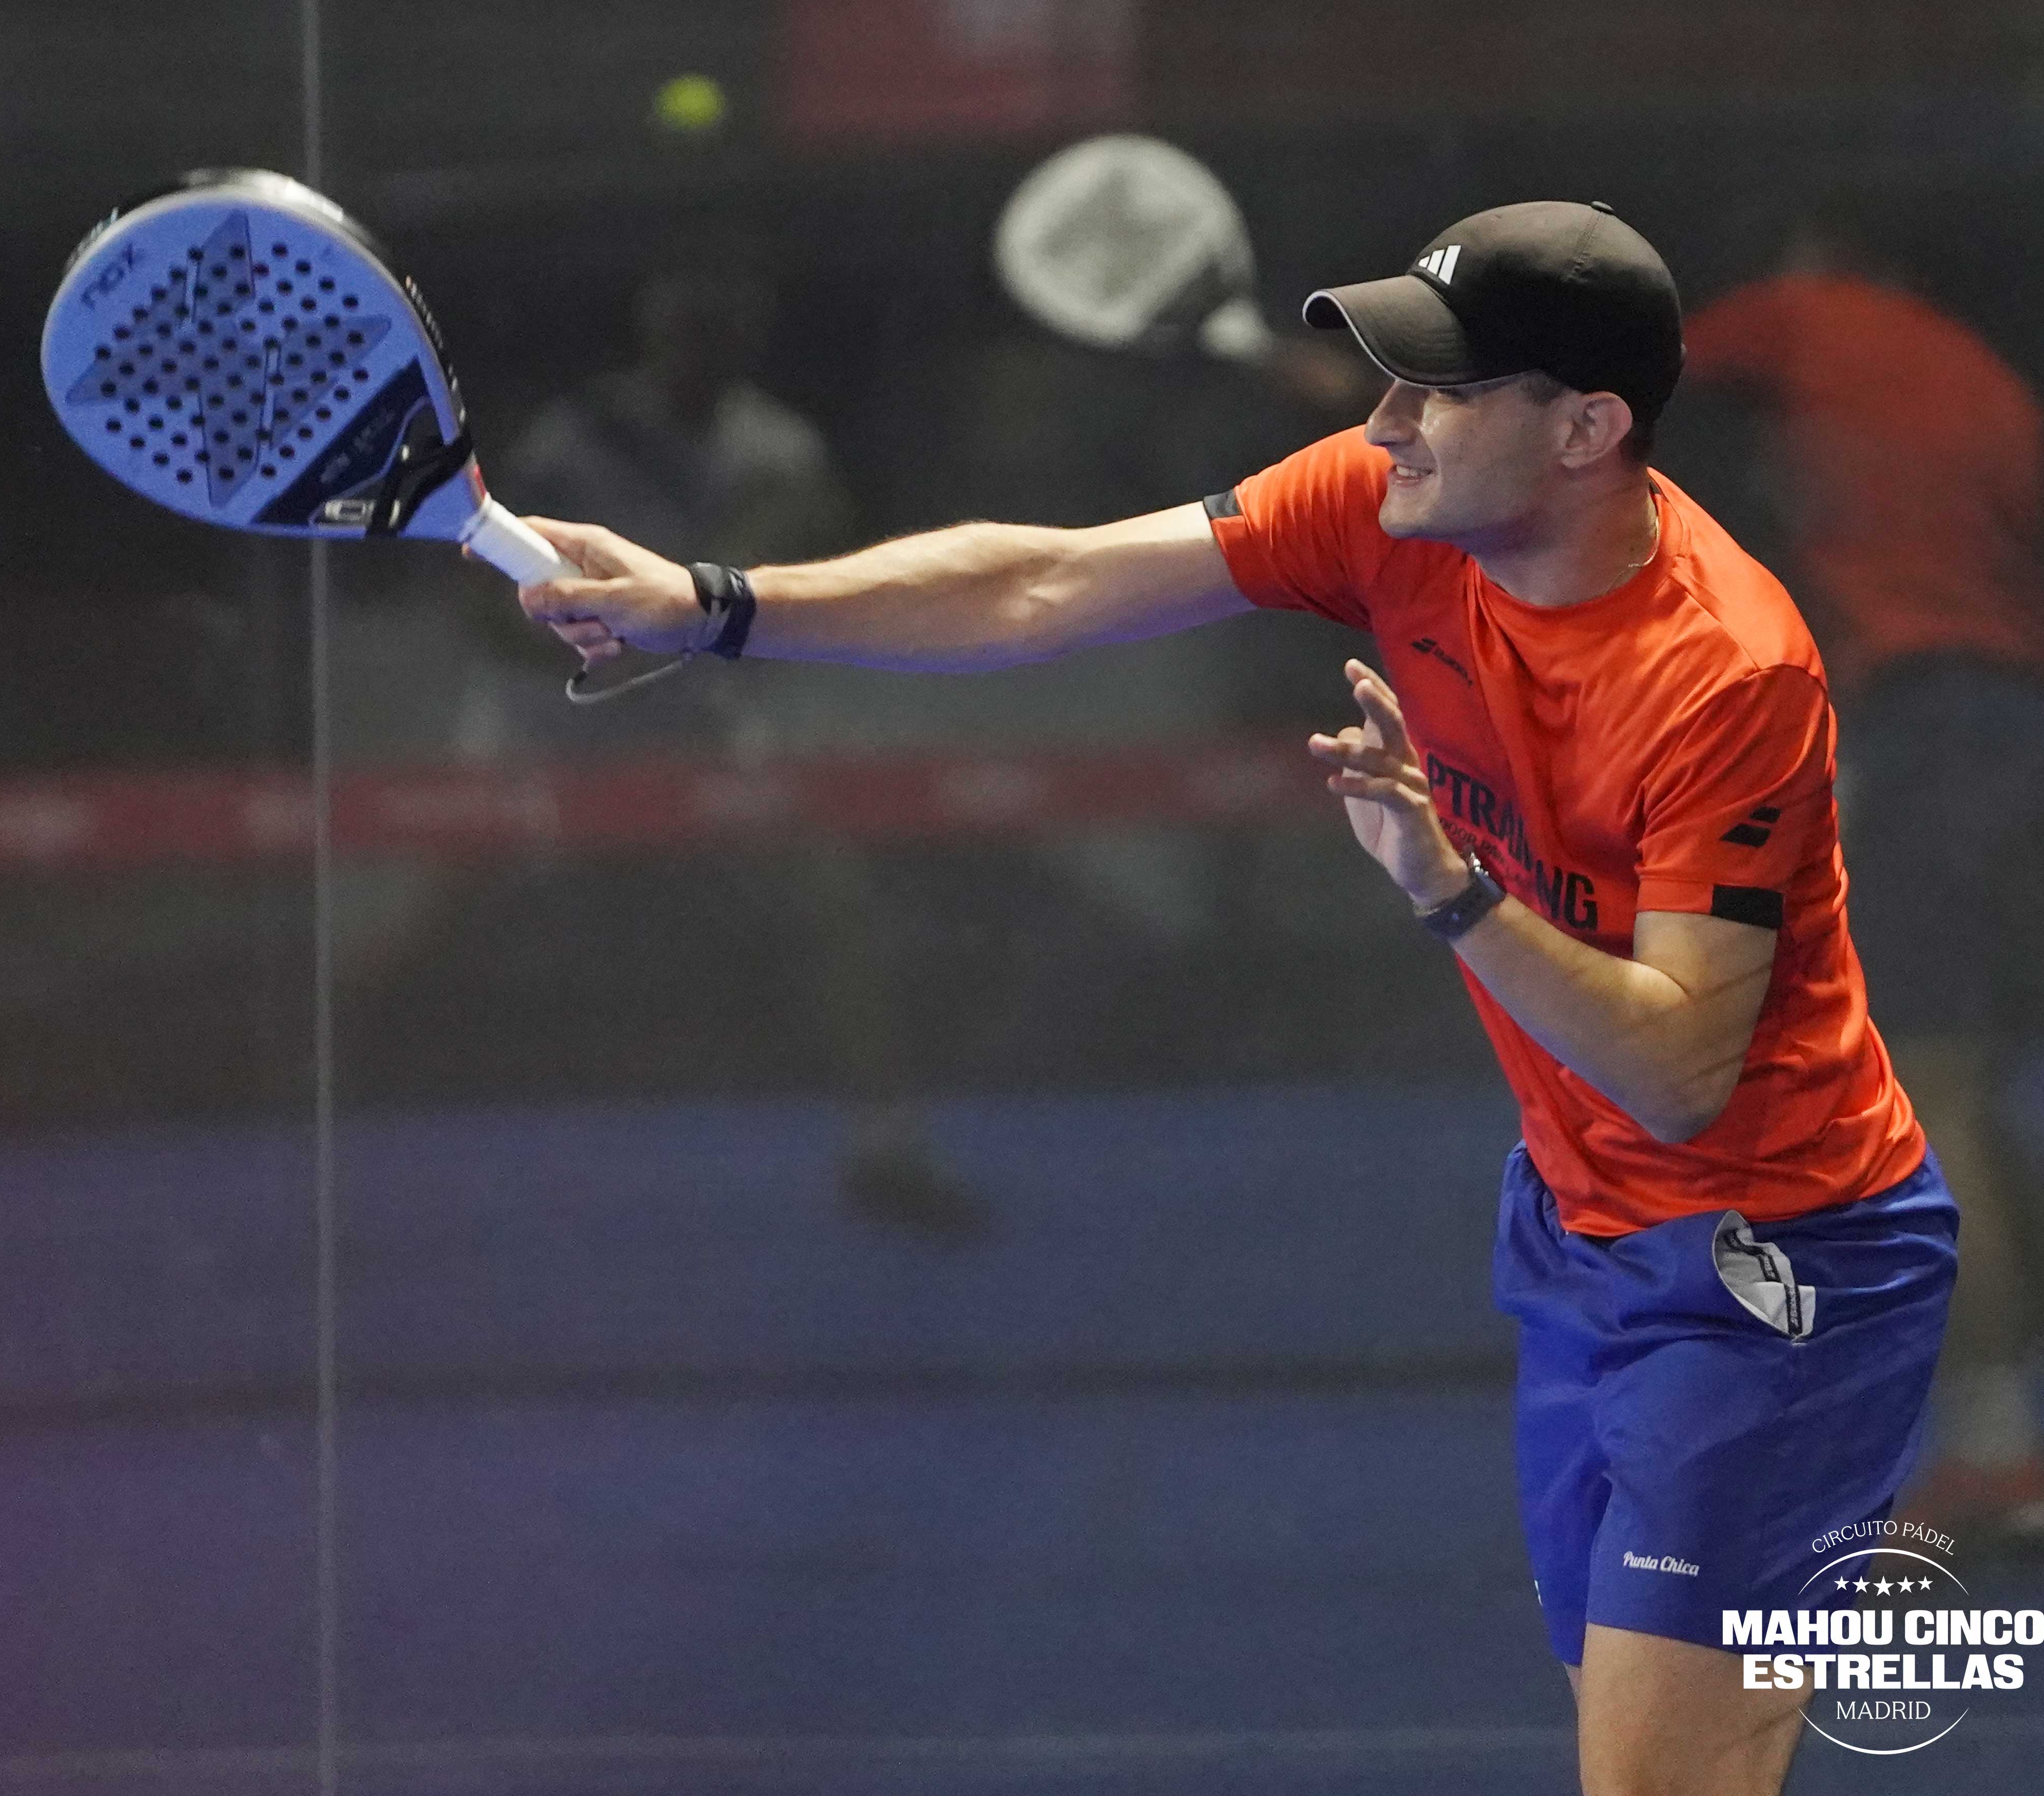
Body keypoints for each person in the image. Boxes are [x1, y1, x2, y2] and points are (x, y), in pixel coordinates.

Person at [513, 202, 1954, 1796]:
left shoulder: (1725, 671)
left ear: (1586, 429)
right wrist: (715, 602)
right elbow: (1044, 583)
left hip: (1777, 1263)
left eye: (1440, 388)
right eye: (1390, 379)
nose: (1388, 420)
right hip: (1581, 1234)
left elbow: (1682, 1068)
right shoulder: (1386, 505)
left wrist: (1450, 891)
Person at [1683, 206, 2044, 1550]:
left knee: (1918, 1100)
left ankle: (1996, 1457)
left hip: (1937, 732)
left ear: (1824, 253)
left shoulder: (1812, 316)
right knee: (1977, 1096)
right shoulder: (1992, 384)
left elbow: (1614, 366)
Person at [464, 242, 990, 1239]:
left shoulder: (780, 454)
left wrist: (742, 581)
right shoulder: (573, 441)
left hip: (713, 742)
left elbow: (818, 600)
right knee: (452, 907)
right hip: (556, 736)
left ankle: (885, 1142)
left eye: (720, 324)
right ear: (651, 329)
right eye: (683, 323)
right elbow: (486, 605)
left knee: (833, 905)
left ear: (749, 336)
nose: (699, 343)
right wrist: (581, 645)